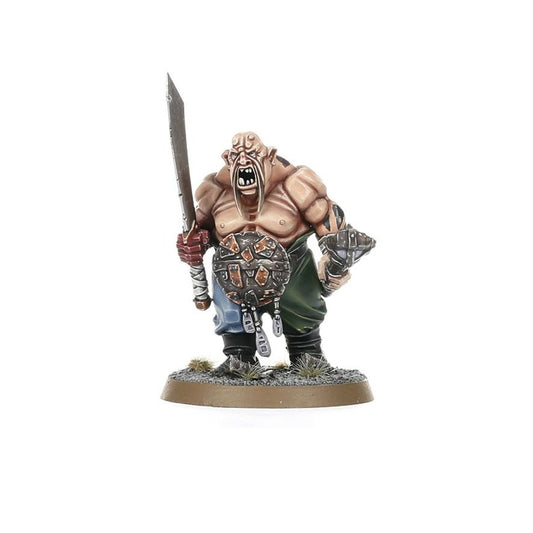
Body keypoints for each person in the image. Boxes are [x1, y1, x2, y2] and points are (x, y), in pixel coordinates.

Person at [176, 132, 375, 371]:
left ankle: (307, 354)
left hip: (292, 270)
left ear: (270, 156)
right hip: (232, 275)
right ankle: (239, 357)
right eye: (237, 156)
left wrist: (334, 262)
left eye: (252, 154)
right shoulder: (215, 192)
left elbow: (330, 227)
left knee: (301, 314)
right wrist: (193, 244)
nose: (244, 161)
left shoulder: (297, 186)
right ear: (228, 159)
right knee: (231, 316)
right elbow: (201, 230)